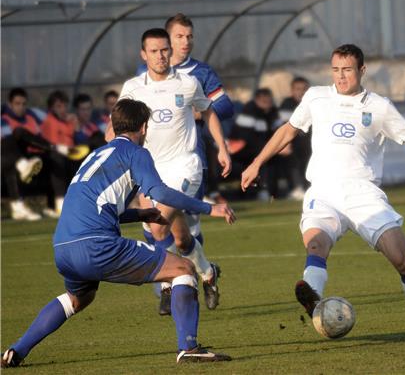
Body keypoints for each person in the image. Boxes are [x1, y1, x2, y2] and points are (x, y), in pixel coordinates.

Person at [1, 99, 235, 368]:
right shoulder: (136, 153)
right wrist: (209, 208)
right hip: (97, 246)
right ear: (144, 127)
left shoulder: (96, 155)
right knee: (182, 268)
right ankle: (189, 347)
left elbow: (94, 204)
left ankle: (15, 351)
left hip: (64, 247)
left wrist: (138, 214)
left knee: (78, 299)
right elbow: (159, 193)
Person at [241, 44, 405, 335]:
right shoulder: (316, 97)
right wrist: (256, 163)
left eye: (347, 70)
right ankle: (312, 299)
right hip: (324, 192)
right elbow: (288, 130)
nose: (341, 77)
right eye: (336, 70)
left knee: (404, 261)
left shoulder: (379, 106)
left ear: (361, 71)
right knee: (315, 244)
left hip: (363, 194)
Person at [111, 28, 231, 315]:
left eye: (165, 49)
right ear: (144, 55)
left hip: (184, 166)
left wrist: (221, 147)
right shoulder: (133, 88)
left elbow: (210, 111)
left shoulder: (188, 83)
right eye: (154, 51)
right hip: (149, 169)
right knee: (180, 238)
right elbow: (116, 124)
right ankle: (208, 272)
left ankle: (166, 287)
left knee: (157, 224)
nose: (161, 55)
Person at [1, 88, 44, 220]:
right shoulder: (5, 119)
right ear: (10, 104)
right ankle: (22, 164)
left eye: (23, 104)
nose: (21, 107)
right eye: (17, 103)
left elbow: (47, 118)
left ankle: (18, 207)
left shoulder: (31, 117)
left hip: (12, 160)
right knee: (9, 143)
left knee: (10, 162)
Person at [40, 90, 79, 218]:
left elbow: (76, 139)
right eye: (58, 106)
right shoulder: (49, 121)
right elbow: (52, 145)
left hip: (70, 155)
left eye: (64, 106)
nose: (62, 109)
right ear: (51, 108)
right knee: (58, 160)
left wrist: (76, 125)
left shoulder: (69, 121)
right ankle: (60, 203)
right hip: (52, 158)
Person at [279, 76, 311, 200]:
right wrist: (285, 143)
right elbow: (284, 127)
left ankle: (308, 187)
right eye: (298, 89)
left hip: (309, 142)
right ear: (292, 91)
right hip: (292, 142)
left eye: (304, 89)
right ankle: (296, 188)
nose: (301, 92)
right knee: (292, 151)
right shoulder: (287, 104)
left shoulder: (312, 104)